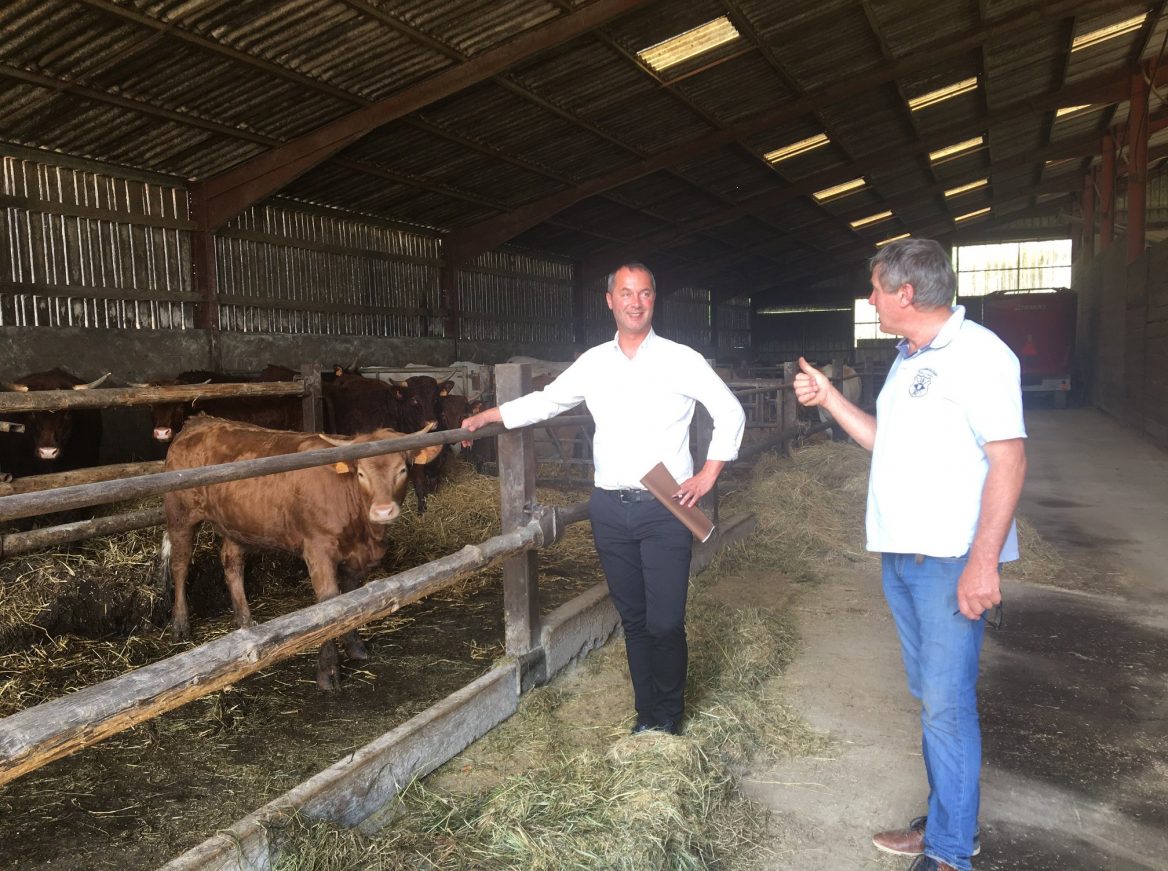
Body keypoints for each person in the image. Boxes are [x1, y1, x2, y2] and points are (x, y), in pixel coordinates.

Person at [794, 238, 1027, 871]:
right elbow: (885, 442)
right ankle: (951, 823)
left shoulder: (979, 356)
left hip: (950, 561)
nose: (869, 299)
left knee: (947, 706)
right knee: (932, 699)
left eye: (874, 288)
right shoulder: (909, 358)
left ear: (905, 293)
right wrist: (830, 399)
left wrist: (983, 564)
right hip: (903, 556)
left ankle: (951, 854)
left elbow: (1010, 459)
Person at [462, 263, 745, 735]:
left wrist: (708, 474)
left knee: (665, 622)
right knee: (633, 619)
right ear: (610, 300)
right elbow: (548, 401)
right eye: (627, 293)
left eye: (646, 294)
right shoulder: (594, 362)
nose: (636, 302)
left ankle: (669, 718)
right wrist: (492, 414)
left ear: (655, 300)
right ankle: (646, 715)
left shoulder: (681, 359)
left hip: (666, 508)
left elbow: (728, 411)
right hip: (610, 508)